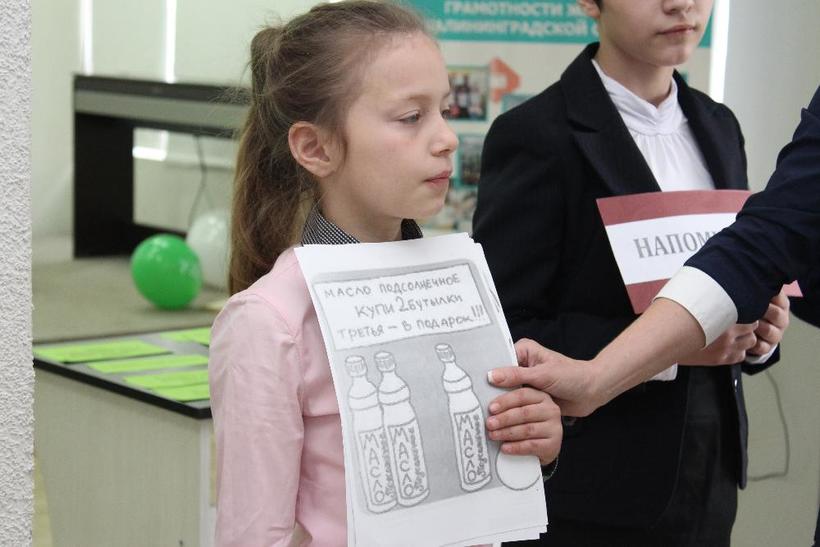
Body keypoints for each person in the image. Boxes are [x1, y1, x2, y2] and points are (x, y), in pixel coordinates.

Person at [207, 2, 562, 545]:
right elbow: (253, 536)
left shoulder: (458, 287)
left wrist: (534, 441)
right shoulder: (270, 321)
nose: (447, 138)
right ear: (315, 147)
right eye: (411, 117)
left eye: (444, 110)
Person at [474, 0, 790, 544]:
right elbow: (503, 328)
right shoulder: (536, 134)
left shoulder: (718, 123)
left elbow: (737, 277)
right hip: (596, 484)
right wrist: (670, 347)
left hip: (711, 471)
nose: (681, 4)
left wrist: (759, 334)